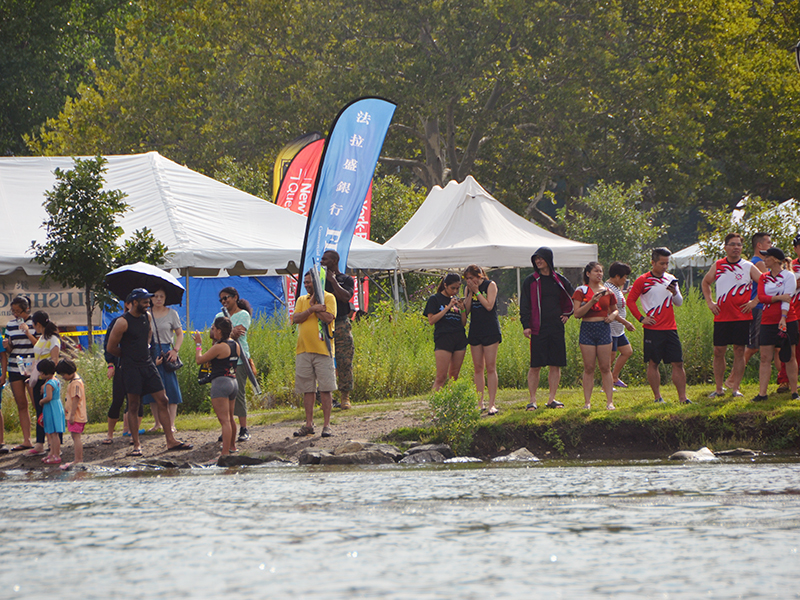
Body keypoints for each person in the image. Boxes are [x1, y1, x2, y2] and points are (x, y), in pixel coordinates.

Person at [106, 288, 192, 456]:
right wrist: (128, 355)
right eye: (145, 301)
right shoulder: (122, 322)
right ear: (135, 302)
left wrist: (145, 351)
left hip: (148, 365)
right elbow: (110, 347)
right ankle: (136, 445)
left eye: (148, 301)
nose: (148, 304)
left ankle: (170, 440)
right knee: (133, 405)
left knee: (163, 399)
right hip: (131, 368)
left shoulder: (147, 317)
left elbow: (149, 336)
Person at [626, 247, 690, 404]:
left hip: (670, 327)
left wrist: (675, 292)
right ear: (653, 262)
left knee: (678, 362)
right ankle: (657, 397)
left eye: (667, 263)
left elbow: (679, 303)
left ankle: (683, 398)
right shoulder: (643, 280)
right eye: (661, 263)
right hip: (653, 329)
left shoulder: (671, 278)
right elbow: (630, 301)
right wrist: (641, 318)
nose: (664, 267)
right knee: (653, 362)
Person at [700, 233, 761, 398]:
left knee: (739, 350)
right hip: (722, 316)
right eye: (732, 244)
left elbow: (764, 282)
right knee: (718, 351)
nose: (736, 248)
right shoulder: (718, 265)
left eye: (739, 245)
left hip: (742, 316)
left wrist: (754, 301)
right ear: (726, 247)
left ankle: (735, 388)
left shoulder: (748, 266)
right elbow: (705, 282)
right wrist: (710, 302)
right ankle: (719, 388)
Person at [519, 247, 574, 410]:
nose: (538, 261)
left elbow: (573, 297)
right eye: (536, 259)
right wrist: (526, 325)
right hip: (537, 328)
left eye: (541, 258)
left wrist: (567, 314)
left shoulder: (559, 279)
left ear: (548, 259)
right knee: (535, 365)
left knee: (555, 364)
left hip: (556, 327)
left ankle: (552, 399)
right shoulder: (530, 280)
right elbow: (525, 304)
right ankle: (533, 400)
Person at [292, 270, 337, 438]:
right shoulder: (301, 300)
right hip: (303, 350)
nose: (306, 285)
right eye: (305, 283)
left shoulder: (329, 297)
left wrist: (316, 308)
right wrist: (311, 308)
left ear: (317, 283)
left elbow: (328, 317)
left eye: (309, 282)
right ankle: (309, 424)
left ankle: (327, 425)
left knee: (326, 388)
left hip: (323, 350)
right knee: (307, 389)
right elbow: (296, 318)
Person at [753, 247, 799, 401]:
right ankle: (762, 394)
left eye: (767, 257)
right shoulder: (764, 277)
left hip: (787, 319)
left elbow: (788, 299)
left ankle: (794, 392)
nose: (764, 260)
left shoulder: (788, 275)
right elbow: (762, 297)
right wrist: (778, 298)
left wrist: (783, 317)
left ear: (775, 259)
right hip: (767, 320)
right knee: (765, 357)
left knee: (790, 356)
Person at [573, 262, 619, 410]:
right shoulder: (581, 291)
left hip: (603, 327)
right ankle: (587, 402)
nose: (599, 274)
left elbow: (615, 310)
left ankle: (609, 401)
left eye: (600, 271)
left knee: (605, 367)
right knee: (589, 367)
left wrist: (612, 316)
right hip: (587, 327)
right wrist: (591, 302)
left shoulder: (607, 291)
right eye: (595, 271)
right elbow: (577, 314)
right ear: (588, 274)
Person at [193, 317, 240, 457]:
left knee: (224, 421)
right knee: (231, 418)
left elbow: (199, 360)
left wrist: (198, 345)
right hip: (233, 381)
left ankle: (224, 453)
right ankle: (232, 446)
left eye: (213, 329)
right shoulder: (235, 344)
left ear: (219, 331)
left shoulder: (219, 347)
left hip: (220, 383)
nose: (212, 331)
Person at [142, 288, 184, 433]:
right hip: (151, 352)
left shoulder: (172, 314)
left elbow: (180, 334)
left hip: (167, 352)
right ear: (151, 299)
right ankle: (157, 423)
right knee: (152, 389)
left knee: (171, 388)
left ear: (166, 298)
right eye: (156, 296)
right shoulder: (146, 314)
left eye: (162, 296)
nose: (158, 299)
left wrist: (175, 351)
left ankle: (171, 423)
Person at [20, 310, 60, 457]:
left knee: (48, 411)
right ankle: (40, 443)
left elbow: (55, 361)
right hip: (39, 376)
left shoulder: (53, 339)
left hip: (47, 379)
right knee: (39, 410)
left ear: (37, 324)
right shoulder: (43, 337)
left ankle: (52, 442)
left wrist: (49, 381)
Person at [463, 265, 502, 415]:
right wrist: (467, 296)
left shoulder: (490, 285)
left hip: (490, 329)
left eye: (471, 278)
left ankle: (492, 403)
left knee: (490, 367)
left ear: (480, 276)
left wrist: (477, 292)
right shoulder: (468, 289)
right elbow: (466, 311)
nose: (469, 281)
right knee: (478, 367)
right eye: (467, 279)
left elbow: (488, 305)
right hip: (475, 330)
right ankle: (480, 402)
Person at [103, 300, 144, 443]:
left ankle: (134, 435)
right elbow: (109, 344)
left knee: (137, 401)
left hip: (139, 366)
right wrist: (110, 363)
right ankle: (110, 434)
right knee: (117, 400)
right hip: (122, 366)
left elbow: (147, 343)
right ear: (127, 304)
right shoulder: (118, 322)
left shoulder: (144, 321)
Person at [320, 250, 355, 410]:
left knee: (344, 360)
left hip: (340, 322)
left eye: (325, 259)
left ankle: (345, 396)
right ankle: (327, 398)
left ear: (334, 261)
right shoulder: (319, 280)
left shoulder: (346, 279)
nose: (322, 261)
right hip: (322, 324)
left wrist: (333, 281)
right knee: (323, 361)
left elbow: (345, 297)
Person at [216, 287, 252, 442]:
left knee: (239, 394)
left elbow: (239, 331)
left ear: (235, 297)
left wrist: (223, 333)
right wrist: (229, 333)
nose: (224, 301)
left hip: (239, 359)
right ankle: (227, 427)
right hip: (222, 360)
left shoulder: (243, 315)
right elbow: (213, 333)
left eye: (226, 298)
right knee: (223, 396)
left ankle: (243, 428)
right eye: (221, 299)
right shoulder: (219, 315)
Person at [423, 273, 468, 391]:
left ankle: (451, 402)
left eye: (457, 288)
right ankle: (435, 404)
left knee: (454, 376)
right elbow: (432, 320)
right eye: (452, 288)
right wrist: (448, 307)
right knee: (441, 377)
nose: (455, 291)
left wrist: (462, 309)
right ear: (445, 285)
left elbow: (463, 323)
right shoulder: (435, 299)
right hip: (443, 338)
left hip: (459, 337)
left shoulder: (456, 300)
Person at [5, 296, 35, 451]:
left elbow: (39, 344)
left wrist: (28, 332)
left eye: (18, 311)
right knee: (21, 404)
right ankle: (26, 440)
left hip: (32, 367)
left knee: (37, 403)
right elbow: (10, 349)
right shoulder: (10, 325)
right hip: (15, 367)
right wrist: (7, 345)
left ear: (26, 309)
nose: (15, 314)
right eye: (13, 311)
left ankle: (45, 439)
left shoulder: (34, 323)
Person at [741, 232, 772, 371]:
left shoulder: (753, 262)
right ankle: (732, 379)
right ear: (759, 245)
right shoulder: (759, 263)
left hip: (760, 306)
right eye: (769, 243)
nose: (771, 246)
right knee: (753, 346)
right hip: (759, 306)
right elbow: (769, 284)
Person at [604, 262, 636, 388]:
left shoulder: (616, 288)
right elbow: (610, 311)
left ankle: (614, 377)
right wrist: (626, 322)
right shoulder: (608, 289)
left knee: (627, 351)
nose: (625, 280)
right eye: (624, 277)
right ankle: (605, 384)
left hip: (619, 329)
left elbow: (617, 302)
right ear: (617, 276)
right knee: (610, 358)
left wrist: (625, 292)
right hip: (611, 329)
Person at [775, 234, 800, 392]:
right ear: (795, 248)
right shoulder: (791, 266)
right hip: (794, 311)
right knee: (790, 348)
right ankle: (785, 379)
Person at [57, 358, 86, 470]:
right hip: (73, 414)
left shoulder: (76, 383)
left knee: (76, 436)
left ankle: (78, 459)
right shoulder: (74, 381)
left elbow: (76, 399)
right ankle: (78, 458)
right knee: (74, 436)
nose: (63, 377)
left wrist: (72, 414)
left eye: (63, 375)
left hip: (76, 415)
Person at [37, 359, 64, 465]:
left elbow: (49, 397)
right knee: (52, 433)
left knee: (53, 434)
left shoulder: (48, 384)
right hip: (56, 406)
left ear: (44, 373)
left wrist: (41, 401)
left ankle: (56, 455)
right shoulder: (56, 380)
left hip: (51, 408)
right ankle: (52, 453)